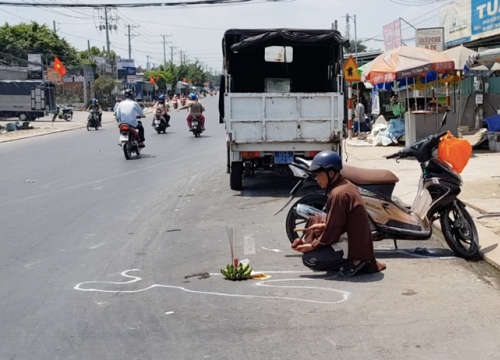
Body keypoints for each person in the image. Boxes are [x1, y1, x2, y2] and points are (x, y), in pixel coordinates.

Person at [291, 151, 386, 277]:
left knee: (309, 259)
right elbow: (342, 221)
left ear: (331, 173)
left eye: (318, 174)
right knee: (315, 220)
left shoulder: (338, 194)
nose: (316, 178)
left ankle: (355, 261)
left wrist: (313, 246)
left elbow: (334, 230)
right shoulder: (345, 185)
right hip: (352, 236)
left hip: (353, 245)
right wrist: (322, 226)